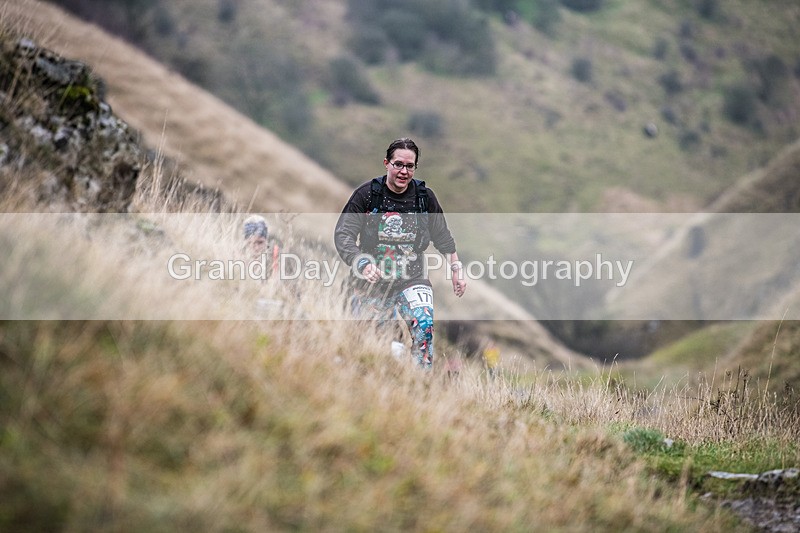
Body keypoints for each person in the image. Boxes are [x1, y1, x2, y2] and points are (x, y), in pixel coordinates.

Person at [334, 137, 467, 368]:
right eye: (398, 164)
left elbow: (443, 237)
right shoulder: (367, 195)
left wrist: (456, 270)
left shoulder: (425, 198)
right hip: (372, 281)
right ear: (387, 163)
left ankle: (421, 382)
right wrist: (362, 263)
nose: (403, 171)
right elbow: (343, 234)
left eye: (410, 166)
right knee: (375, 338)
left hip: (412, 277)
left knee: (424, 325)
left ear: (415, 167)